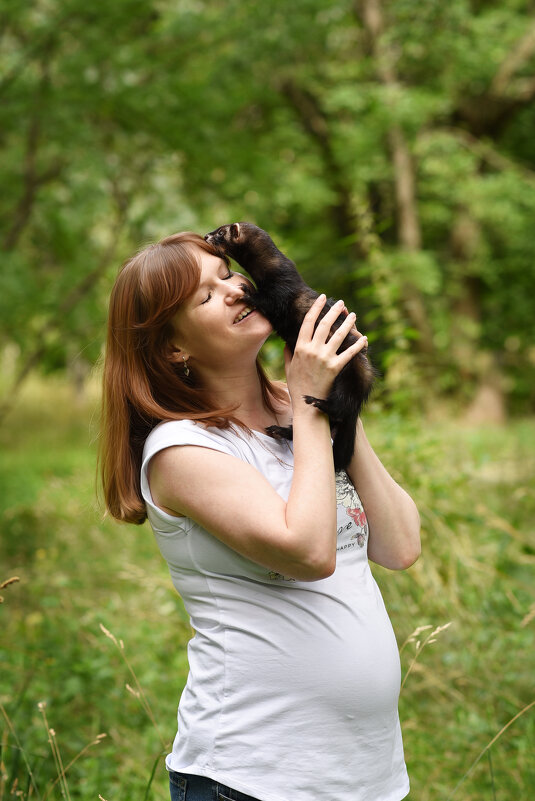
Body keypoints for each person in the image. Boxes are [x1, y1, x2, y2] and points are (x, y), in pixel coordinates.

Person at [100, 230, 421, 801]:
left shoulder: (299, 404)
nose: (233, 290)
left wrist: (338, 399)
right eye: (203, 297)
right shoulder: (183, 450)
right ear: (174, 349)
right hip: (253, 778)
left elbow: (399, 547)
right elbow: (309, 553)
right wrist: (312, 405)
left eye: (226, 275)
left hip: (366, 777)